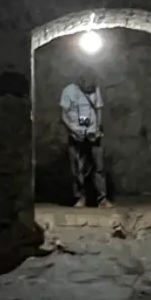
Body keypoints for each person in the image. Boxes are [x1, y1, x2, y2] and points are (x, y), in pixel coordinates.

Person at [59, 75, 107, 206]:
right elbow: (63, 115)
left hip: (92, 135)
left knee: (99, 167)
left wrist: (97, 129)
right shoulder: (69, 91)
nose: (90, 87)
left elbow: (99, 110)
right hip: (76, 135)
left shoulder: (95, 89)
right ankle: (80, 198)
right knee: (77, 169)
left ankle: (102, 199)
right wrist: (74, 131)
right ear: (81, 79)